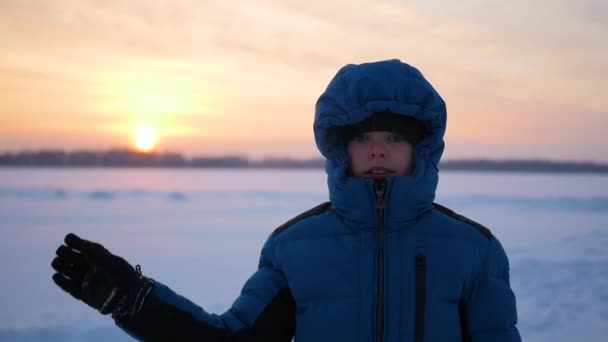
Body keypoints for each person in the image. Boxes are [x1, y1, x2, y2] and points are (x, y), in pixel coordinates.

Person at [51, 59, 521, 341]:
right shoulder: (294, 247)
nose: (379, 149)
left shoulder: (473, 249)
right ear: (341, 149)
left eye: (395, 137)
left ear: (420, 148)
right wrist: (135, 301)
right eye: (365, 138)